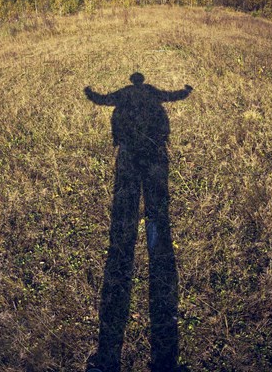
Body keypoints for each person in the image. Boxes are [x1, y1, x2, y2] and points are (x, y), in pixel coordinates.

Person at [84, 73, 192, 371]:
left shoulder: (125, 92)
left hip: (129, 150)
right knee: (157, 207)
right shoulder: (151, 91)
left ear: (133, 80)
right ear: (141, 80)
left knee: (126, 204)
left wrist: (90, 92)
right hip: (153, 149)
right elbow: (171, 96)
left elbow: (104, 100)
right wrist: (185, 91)